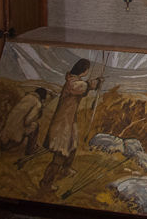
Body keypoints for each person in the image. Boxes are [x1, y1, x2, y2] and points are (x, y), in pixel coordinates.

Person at [39, 59, 102, 192]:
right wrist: (94, 83)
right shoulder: (72, 82)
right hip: (62, 123)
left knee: (72, 146)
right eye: (87, 69)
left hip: (69, 120)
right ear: (84, 70)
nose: (88, 71)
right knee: (61, 151)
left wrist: (95, 83)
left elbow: (83, 86)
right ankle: (46, 182)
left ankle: (65, 169)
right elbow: (81, 87)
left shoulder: (75, 80)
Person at [0, 87, 50, 159]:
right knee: (35, 126)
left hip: (7, 129)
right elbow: (27, 121)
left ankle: (0, 143)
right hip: (17, 132)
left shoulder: (26, 97)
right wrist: (37, 114)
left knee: (7, 139)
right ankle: (30, 150)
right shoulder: (38, 103)